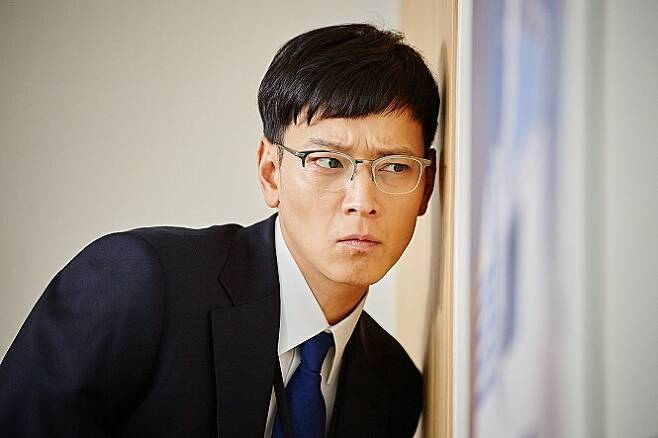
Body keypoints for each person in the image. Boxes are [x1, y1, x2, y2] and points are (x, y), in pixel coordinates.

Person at [0, 23, 440, 437]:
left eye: (395, 167)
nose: (362, 201)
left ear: (427, 187)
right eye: (327, 161)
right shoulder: (138, 283)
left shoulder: (394, 387)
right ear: (271, 173)